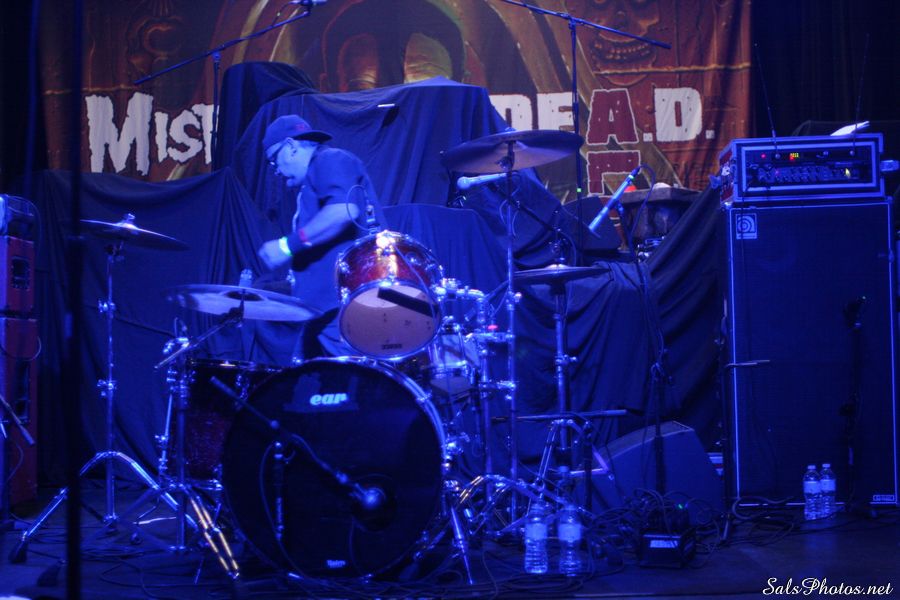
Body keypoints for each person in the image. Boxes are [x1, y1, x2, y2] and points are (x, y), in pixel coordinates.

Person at [258, 114, 384, 358]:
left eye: (274, 161)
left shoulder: (329, 159)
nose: (276, 172)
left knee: (349, 378)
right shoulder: (312, 181)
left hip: (341, 310)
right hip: (323, 312)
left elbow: (343, 211)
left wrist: (286, 246)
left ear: (291, 147)